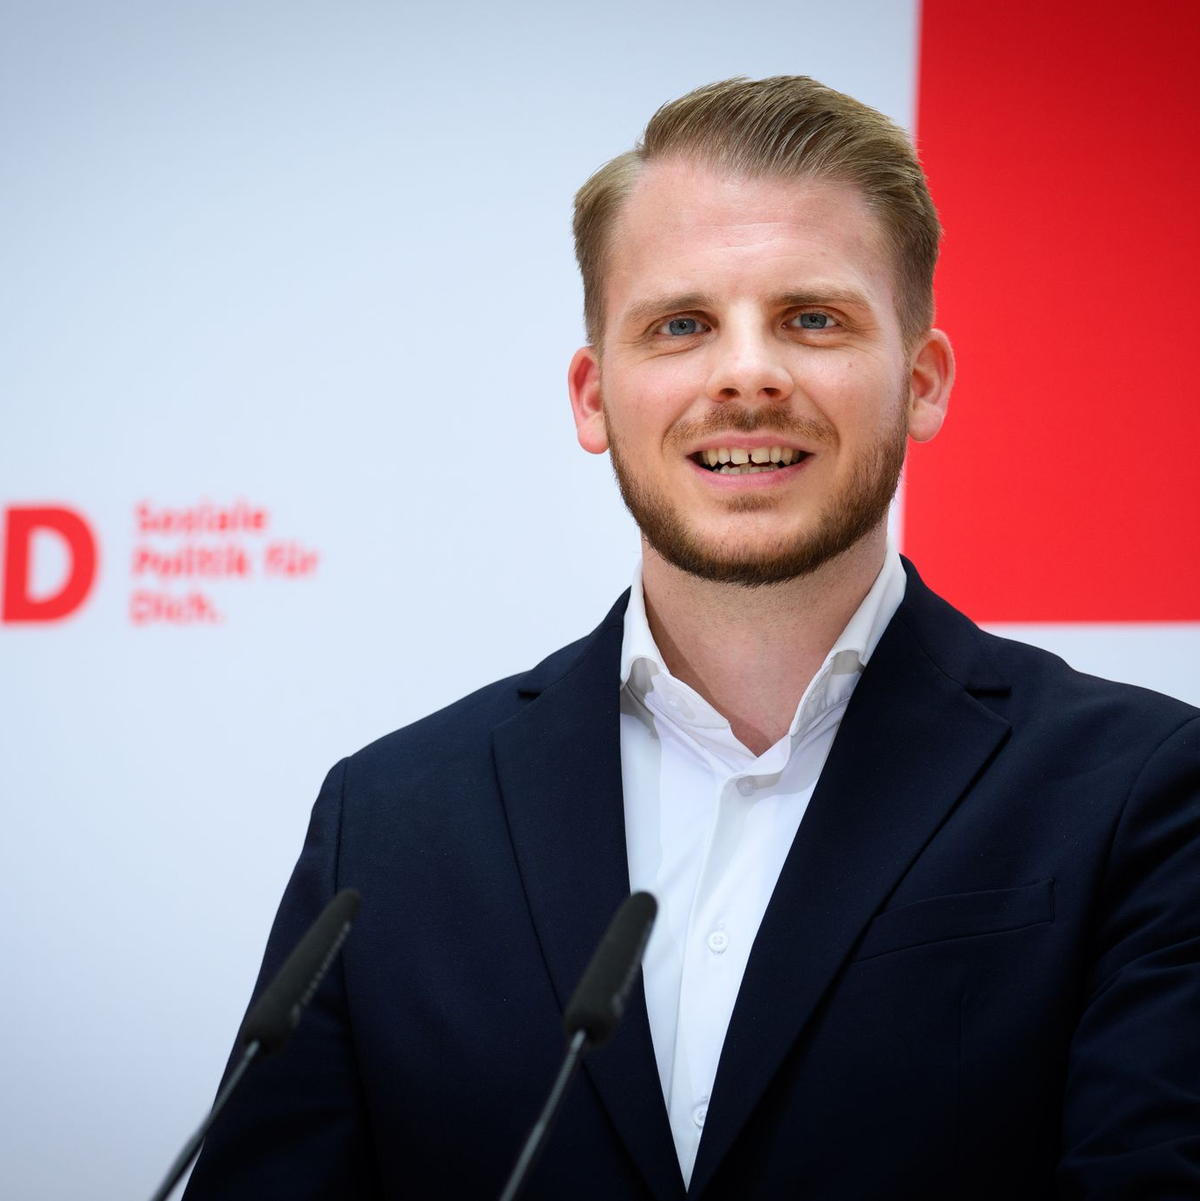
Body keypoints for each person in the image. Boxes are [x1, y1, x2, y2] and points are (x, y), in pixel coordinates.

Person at [185, 77, 1200, 1200]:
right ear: (592, 396)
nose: (745, 374)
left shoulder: (1143, 792)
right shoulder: (385, 824)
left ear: (921, 383)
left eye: (813, 319)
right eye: (682, 326)